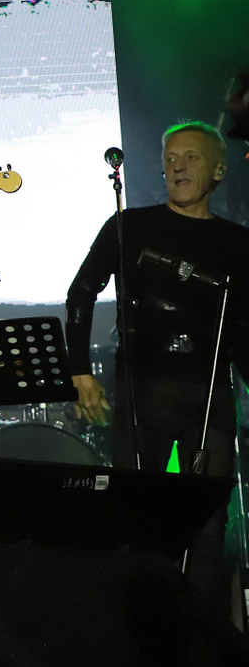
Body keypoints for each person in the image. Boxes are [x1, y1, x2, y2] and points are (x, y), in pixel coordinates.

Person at [67, 121, 249, 616]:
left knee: (208, 525)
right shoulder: (129, 226)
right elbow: (82, 291)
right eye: (170, 158)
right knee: (134, 515)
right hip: (142, 388)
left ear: (218, 169)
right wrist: (80, 371)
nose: (177, 166)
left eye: (191, 157)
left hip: (209, 395)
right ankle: (137, 626)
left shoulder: (237, 243)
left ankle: (200, 633)